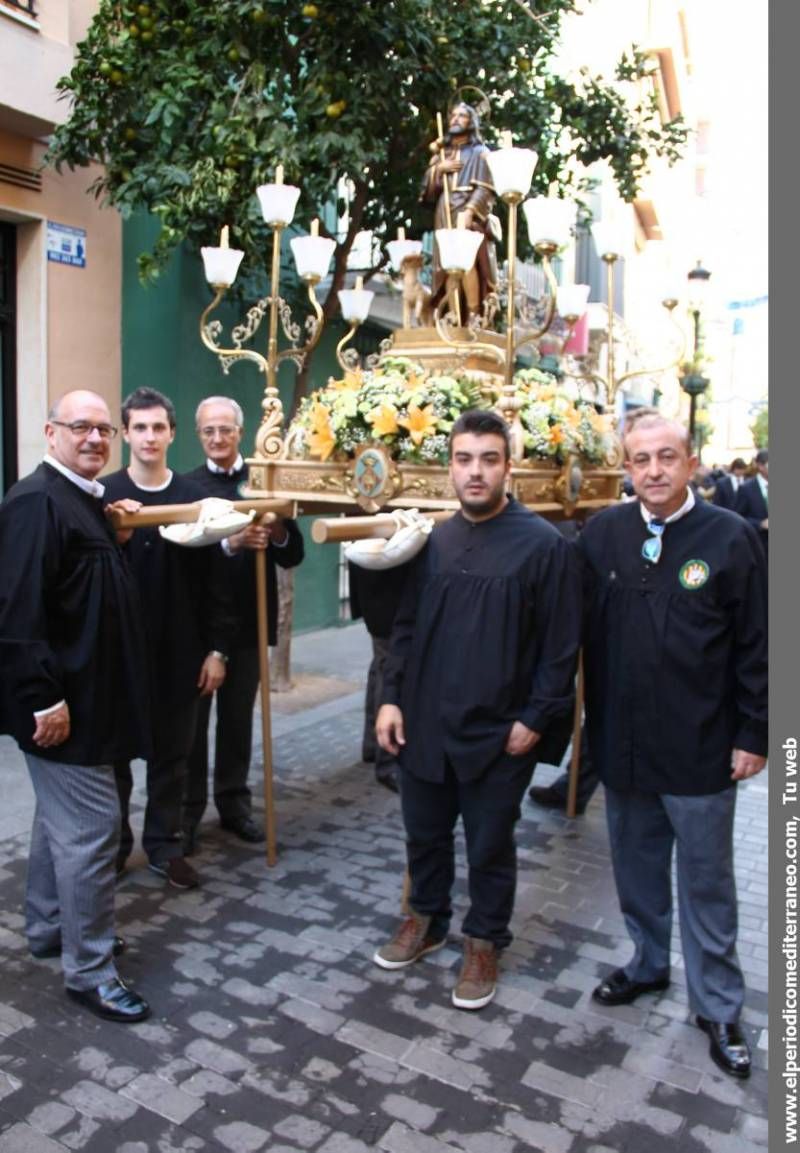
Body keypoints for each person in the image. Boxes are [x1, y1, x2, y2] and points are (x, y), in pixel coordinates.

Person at [580, 408, 767, 1079]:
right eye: (640, 459)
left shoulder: (733, 537)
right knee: (634, 866)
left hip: (702, 748)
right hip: (624, 746)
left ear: (690, 460)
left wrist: (755, 733)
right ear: (626, 467)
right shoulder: (602, 534)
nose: (653, 471)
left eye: (666, 456)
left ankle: (718, 1005)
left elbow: (759, 645)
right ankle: (648, 962)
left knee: (707, 882)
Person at [374, 409, 581, 1010]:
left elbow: (560, 647)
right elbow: (406, 627)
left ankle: (484, 939)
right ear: (450, 467)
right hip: (426, 722)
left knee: (491, 843)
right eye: (464, 459)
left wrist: (535, 719)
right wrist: (390, 699)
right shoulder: (435, 539)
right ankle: (427, 919)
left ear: (508, 466)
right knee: (426, 835)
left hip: (500, 730)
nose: (476, 471)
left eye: (489, 459)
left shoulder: (544, 545)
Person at [0, 390, 151, 1022]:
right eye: (79, 427)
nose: (93, 438)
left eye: (101, 430)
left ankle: (46, 928)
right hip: (65, 710)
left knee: (57, 824)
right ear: (50, 432)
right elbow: (16, 613)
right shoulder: (37, 500)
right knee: (91, 834)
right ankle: (89, 971)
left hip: (90, 702)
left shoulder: (81, 499)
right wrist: (43, 700)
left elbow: (80, 593)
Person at [104, 388, 236, 890]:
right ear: (126, 434)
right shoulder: (106, 496)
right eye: (140, 427)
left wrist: (217, 651)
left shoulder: (194, 500)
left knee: (172, 760)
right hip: (119, 656)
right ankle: (114, 848)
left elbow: (216, 587)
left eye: (158, 427)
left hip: (181, 654)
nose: (150, 436)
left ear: (172, 433)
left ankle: (164, 845)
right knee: (115, 759)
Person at [183, 396, 304, 851]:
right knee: (192, 728)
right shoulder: (187, 486)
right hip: (200, 626)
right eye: (208, 431)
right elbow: (186, 553)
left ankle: (234, 805)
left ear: (240, 431)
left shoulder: (262, 481)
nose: (217, 438)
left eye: (225, 430)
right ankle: (187, 814)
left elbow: (293, 554)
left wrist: (275, 532)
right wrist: (229, 543)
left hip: (252, 620)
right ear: (199, 435)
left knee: (237, 723)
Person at [420, 102, 497, 318]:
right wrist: (438, 170)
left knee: (468, 262)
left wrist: (471, 210)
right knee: (447, 265)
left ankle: (473, 315)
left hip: (466, 210)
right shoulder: (442, 155)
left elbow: (485, 187)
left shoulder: (480, 153)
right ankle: (453, 315)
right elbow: (427, 190)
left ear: (471, 122)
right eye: (453, 115)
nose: (455, 119)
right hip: (444, 211)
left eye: (461, 116)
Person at [348, 561, 411, 794]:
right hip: (385, 595)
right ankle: (387, 760)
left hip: (377, 593)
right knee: (387, 668)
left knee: (380, 666)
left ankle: (374, 747)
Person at [734, 448, 768, 558]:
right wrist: (760, 524)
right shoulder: (746, 488)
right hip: (758, 549)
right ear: (760, 466)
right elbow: (738, 518)